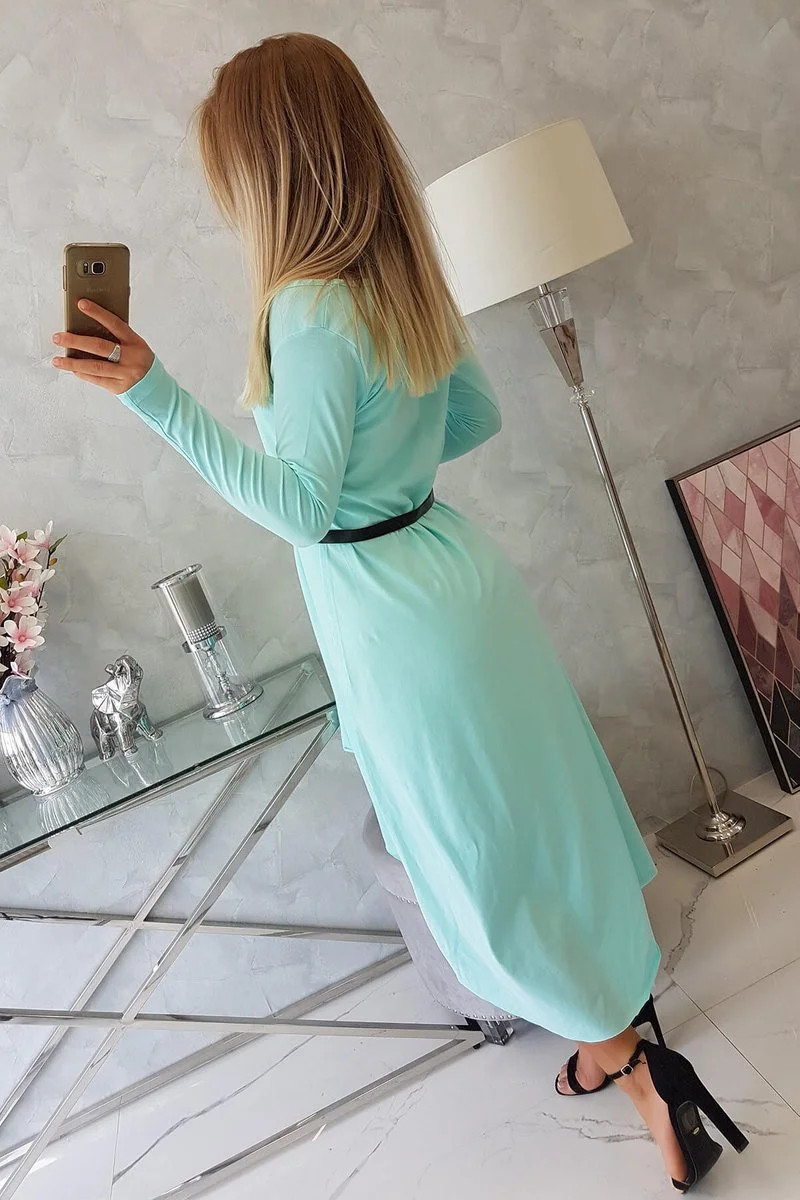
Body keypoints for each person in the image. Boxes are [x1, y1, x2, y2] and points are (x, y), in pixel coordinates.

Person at [51, 32, 747, 1192]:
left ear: (265, 171)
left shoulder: (305, 308)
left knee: (477, 852)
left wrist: (154, 395)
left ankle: (633, 1062)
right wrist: (387, 468)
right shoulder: (393, 276)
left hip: (395, 614)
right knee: (540, 816)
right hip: (455, 574)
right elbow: (469, 420)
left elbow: (299, 508)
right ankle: (614, 1033)